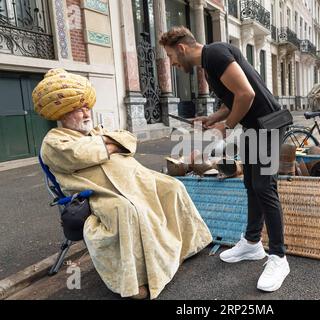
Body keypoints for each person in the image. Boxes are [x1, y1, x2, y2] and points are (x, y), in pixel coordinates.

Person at [33, 68, 212, 300]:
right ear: (62, 113)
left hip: (137, 180)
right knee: (126, 210)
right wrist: (112, 144)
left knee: (173, 186)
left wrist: (108, 144)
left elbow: (129, 138)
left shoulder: (96, 131)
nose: (86, 112)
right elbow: (81, 154)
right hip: (99, 193)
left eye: (86, 106)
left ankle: (188, 245)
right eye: (78, 109)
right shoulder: (54, 142)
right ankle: (133, 283)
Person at [160, 26, 290, 292]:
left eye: (171, 57)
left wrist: (226, 126)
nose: (172, 63)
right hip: (256, 128)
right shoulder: (209, 66)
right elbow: (233, 100)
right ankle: (252, 244)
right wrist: (213, 119)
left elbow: (247, 94)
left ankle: (279, 257)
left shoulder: (216, 53)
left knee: (265, 188)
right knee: (252, 186)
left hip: (270, 124)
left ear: (182, 49)